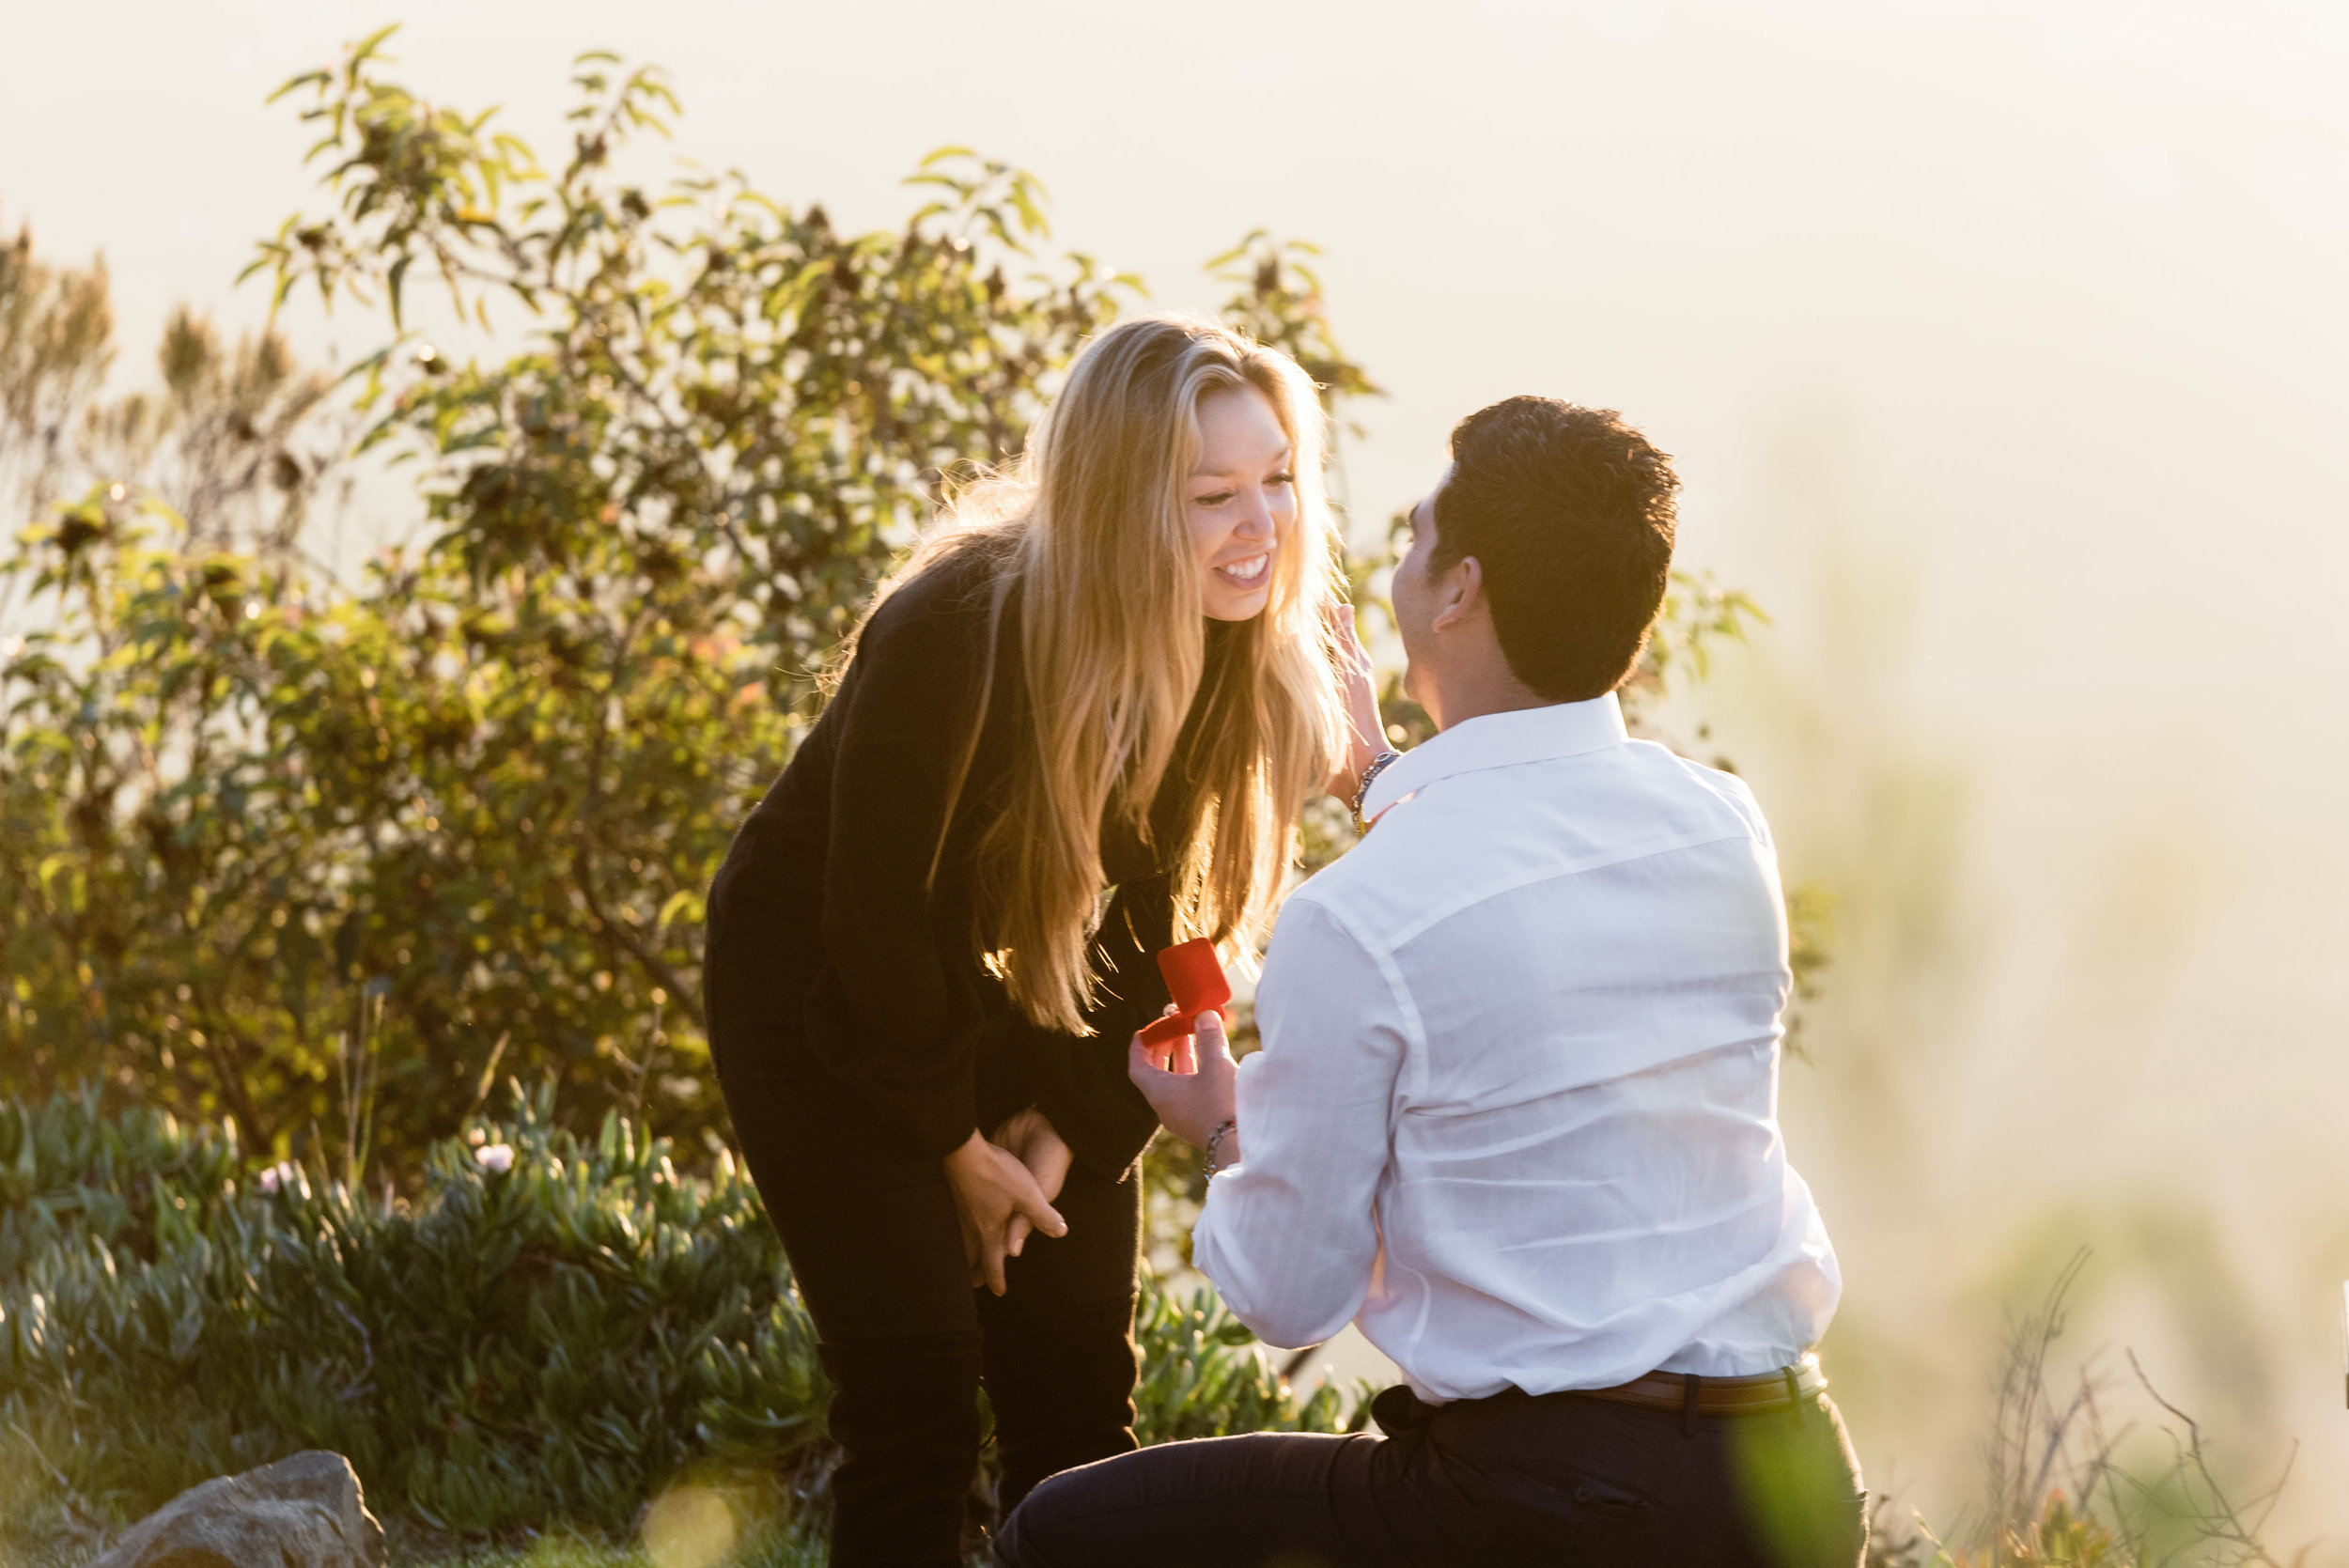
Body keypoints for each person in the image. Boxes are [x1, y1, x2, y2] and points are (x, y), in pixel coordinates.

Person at [996, 396, 1866, 1567]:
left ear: (1456, 590)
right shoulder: (1719, 827)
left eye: (1412, 541)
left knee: (1060, 1533)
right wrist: (1390, 781)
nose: (1392, 563)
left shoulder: (1355, 922)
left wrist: (1217, 1134)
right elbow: (1523, 896)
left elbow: (1288, 1295)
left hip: (1552, 1504)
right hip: (1790, 1483)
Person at [702, 315, 1382, 1568]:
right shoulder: (957, 628)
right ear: (1124, 502)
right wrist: (953, 1144)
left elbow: (1155, 934)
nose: (1261, 524)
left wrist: (1068, 1131)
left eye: (1279, 480)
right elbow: (873, 921)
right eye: (1214, 494)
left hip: (1041, 997)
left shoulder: (1242, 657)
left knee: (1076, 1412)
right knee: (915, 1400)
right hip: (826, 999)